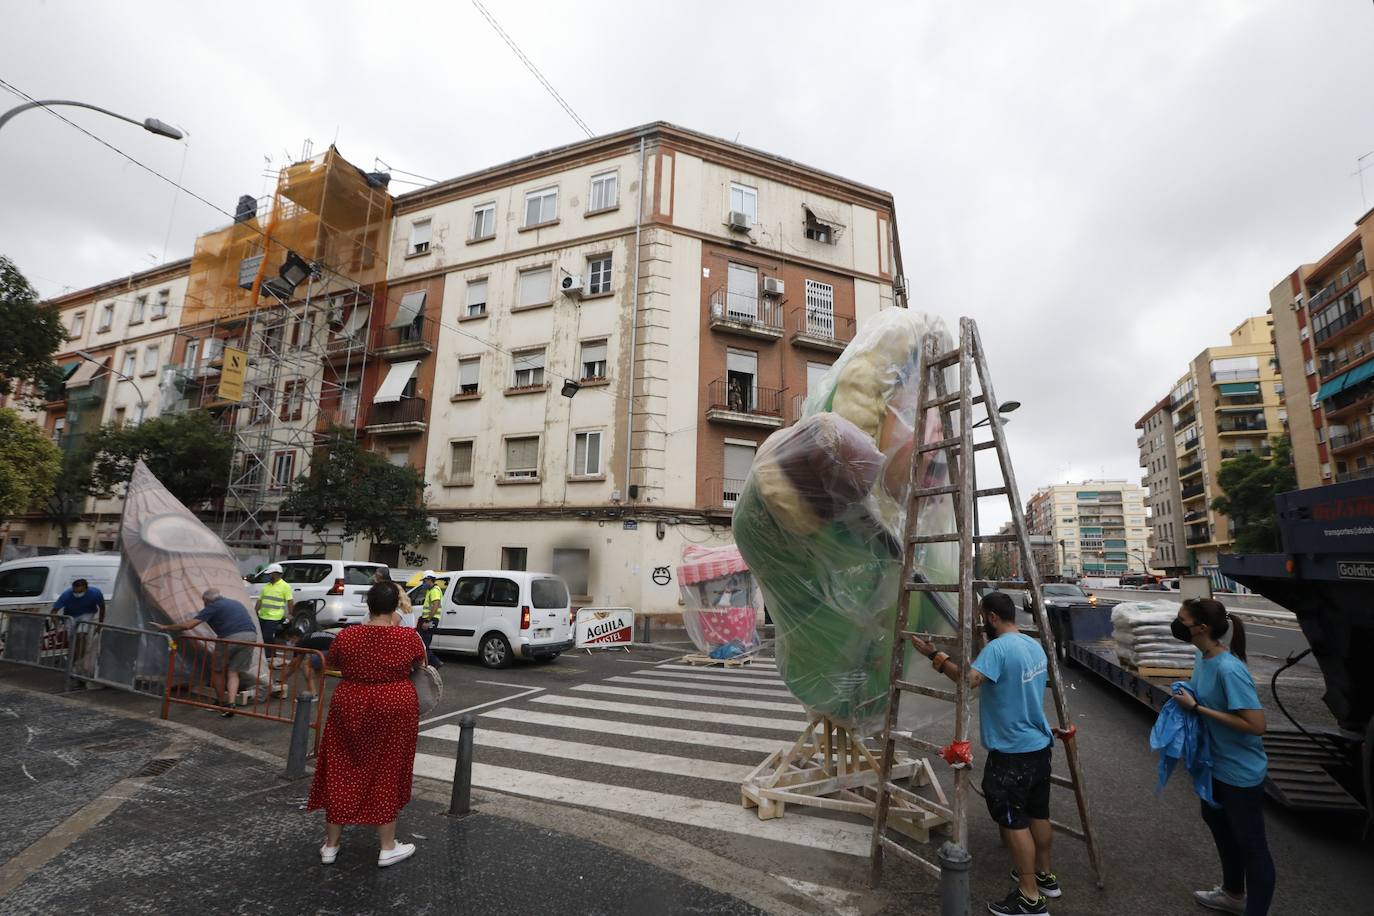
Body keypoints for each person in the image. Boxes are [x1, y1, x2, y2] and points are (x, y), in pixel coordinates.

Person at [912, 592, 1060, 915]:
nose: (982, 622)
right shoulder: (1033, 646)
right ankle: (1045, 875)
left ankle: (1030, 896)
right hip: (1039, 746)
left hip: (1012, 752)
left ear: (992, 617)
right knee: (1038, 813)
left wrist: (933, 655)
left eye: (983, 616)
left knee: (1013, 820)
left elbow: (967, 680)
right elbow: (1008, 679)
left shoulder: (998, 650)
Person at [1168, 598, 1273, 916]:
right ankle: (1232, 894)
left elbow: (1256, 725)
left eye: (1182, 619)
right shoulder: (1204, 657)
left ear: (1201, 628)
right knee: (1222, 830)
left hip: (1239, 773)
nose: (1177, 623)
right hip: (1213, 767)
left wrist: (1197, 708)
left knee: (1251, 846)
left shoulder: (1229, 669)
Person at [307, 581, 424, 868]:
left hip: (351, 701)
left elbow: (332, 662)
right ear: (395, 606)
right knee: (387, 768)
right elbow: (419, 666)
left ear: (368, 605)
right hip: (394, 704)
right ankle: (387, 846)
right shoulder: (407, 638)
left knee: (341, 766)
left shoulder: (348, 636)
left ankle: (331, 845)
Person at [154, 588, 259, 718]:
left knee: (217, 670)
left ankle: (221, 702)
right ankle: (231, 704)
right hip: (251, 637)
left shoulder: (213, 607)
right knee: (233, 672)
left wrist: (166, 627)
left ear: (207, 601)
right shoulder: (235, 603)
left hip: (230, 638)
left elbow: (188, 625)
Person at [52, 578, 107, 683]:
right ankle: (75, 660)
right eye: (75, 592)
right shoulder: (66, 595)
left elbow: (102, 608)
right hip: (71, 615)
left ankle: (77, 664)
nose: (77, 594)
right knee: (73, 641)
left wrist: (100, 624)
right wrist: (57, 626)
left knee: (81, 637)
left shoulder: (95, 593)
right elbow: (54, 611)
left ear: (86, 589)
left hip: (87, 613)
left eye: (80, 592)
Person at [277, 623, 338, 698]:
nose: (290, 642)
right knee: (316, 667)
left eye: (289, 640)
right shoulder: (309, 637)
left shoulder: (301, 642)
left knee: (306, 665)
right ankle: (319, 692)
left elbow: (294, 664)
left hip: (334, 649)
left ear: (295, 637)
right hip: (342, 648)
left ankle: (311, 693)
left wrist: (282, 679)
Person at [254, 563, 292, 657]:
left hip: (274, 617)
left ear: (277, 573)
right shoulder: (266, 586)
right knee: (263, 637)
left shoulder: (285, 586)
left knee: (268, 637)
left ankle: (269, 656)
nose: (269, 576)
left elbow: (290, 601)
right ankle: (270, 655)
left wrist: (290, 614)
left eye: (271, 574)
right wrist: (255, 612)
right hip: (263, 615)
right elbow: (260, 601)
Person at [418, 571, 443, 668]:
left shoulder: (435, 591)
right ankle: (431, 663)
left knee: (424, 644)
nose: (423, 584)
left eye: (424, 581)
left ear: (429, 580)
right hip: (429, 619)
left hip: (431, 620)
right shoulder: (431, 590)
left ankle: (435, 662)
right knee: (424, 643)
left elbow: (435, 606)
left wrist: (428, 620)